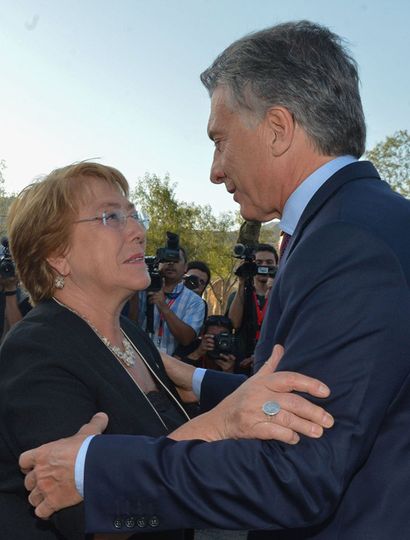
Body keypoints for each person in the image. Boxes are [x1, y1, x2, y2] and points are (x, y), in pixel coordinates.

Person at [20, 19, 410, 538]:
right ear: (55, 256)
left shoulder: (347, 243)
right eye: (112, 217)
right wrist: (193, 377)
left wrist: (94, 471)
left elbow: (298, 471)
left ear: (277, 128)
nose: (215, 169)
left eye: (220, 140)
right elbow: (298, 393)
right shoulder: (353, 225)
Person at [0, 161, 333, 540]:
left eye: (133, 214)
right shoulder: (36, 351)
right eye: (111, 217)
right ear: (57, 255)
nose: (139, 231)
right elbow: (91, 525)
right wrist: (222, 423)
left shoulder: (130, 335)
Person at [138, 247, 206, 354]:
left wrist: (163, 306)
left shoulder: (195, 302)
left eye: (176, 260)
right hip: (139, 358)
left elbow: (186, 339)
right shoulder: (141, 289)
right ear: (157, 262)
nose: (170, 263)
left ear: (185, 267)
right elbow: (129, 322)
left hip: (171, 365)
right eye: (166, 259)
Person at [226, 243, 278, 373]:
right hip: (241, 362)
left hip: (271, 362)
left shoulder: (282, 295)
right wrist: (242, 282)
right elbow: (234, 324)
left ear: (277, 266)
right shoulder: (239, 295)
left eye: (269, 262)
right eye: (259, 262)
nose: (264, 266)